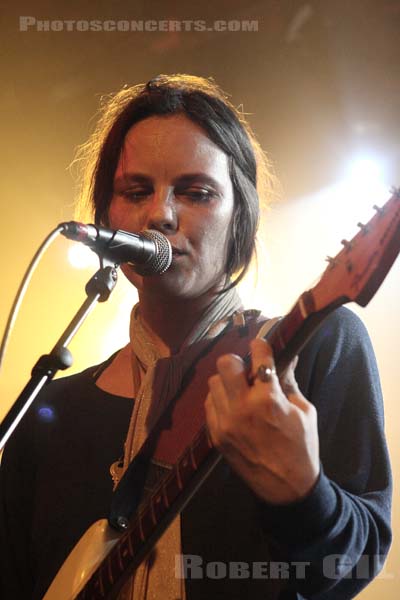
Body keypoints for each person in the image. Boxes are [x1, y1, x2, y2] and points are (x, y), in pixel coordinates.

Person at [0, 74, 392, 600]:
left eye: (196, 192)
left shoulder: (310, 349)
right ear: (105, 220)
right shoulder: (50, 413)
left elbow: (359, 562)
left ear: (242, 221)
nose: (159, 214)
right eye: (136, 192)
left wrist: (306, 496)